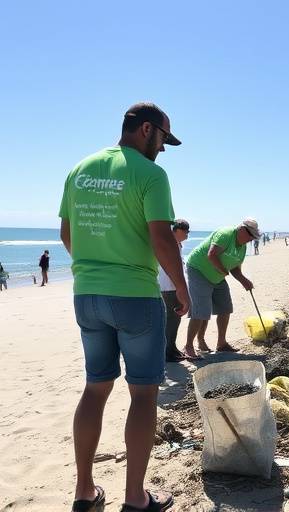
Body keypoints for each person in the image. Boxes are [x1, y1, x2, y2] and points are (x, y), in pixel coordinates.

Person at [59, 102, 189, 512]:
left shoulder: (80, 169)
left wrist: (95, 268)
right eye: (164, 139)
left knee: (95, 388)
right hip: (135, 295)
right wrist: (183, 289)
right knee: (144, 394)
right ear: (146, 129)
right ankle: (135, 498)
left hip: (87, 295)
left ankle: (84, 491)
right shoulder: (151, 174)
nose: (164, 149)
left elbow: (67, 234)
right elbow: (162, 239)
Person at [184, 218, 260, 359]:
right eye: (251, 236)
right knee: (201, 310)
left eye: (253, 237)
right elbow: (212, 255)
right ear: (242, 229)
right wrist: (224, 271)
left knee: (225, 307)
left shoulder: (242, 248)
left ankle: (221, 343)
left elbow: (236, 270)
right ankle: (189, 346)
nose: (251, 240)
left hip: (217, 276)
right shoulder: (226, 234)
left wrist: (244, 281)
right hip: (198, 269)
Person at [157, 219, 190, 362]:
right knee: (171, 320)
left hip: (174, 287)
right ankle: (167, 352)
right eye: (185, 231)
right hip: (168, 288)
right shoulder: (169, 244)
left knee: (174, 320)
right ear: (176, 230)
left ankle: (171, 348)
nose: (187, 234)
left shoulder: (177, 244)